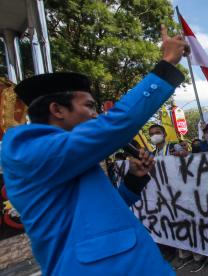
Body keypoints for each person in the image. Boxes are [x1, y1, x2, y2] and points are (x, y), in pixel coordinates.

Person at [1, 26, 188, 275]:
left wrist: (133, 181)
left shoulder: (67, 156)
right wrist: (167, 64)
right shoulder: (27, 150)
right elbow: (114, 125)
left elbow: (97, 218)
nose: (95, 114)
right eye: (89, 106)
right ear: (57, 110)